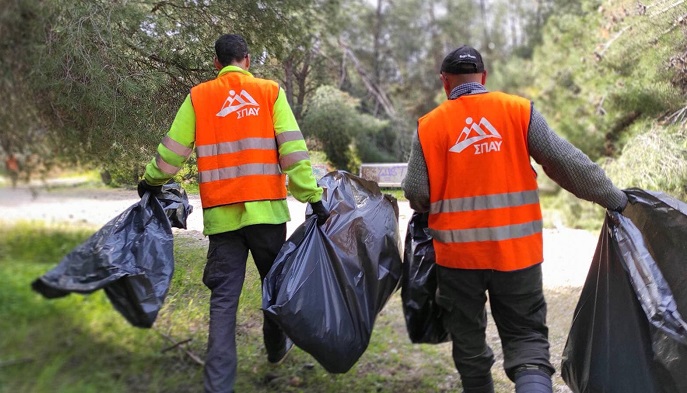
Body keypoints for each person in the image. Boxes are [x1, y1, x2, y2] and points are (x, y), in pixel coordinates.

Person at [402, 45, 628, 393]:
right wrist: (615, 199)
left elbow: (417, 192)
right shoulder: (518, 111)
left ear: (445, 83)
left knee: (469, 343)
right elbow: (566, 163)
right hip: (517, 255)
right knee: (526, 340)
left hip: (458, 261)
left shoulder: (430, 126)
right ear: (484, 78)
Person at [137, 34, 329, 393]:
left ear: (216, 63)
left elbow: (172, 151)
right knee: (274, 287)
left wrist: (150, 181)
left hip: (223, 218)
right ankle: (275, 348)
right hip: (267, 215)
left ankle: (218, 384)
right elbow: (293, 150)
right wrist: (312, 197)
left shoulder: (200, 97)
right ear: (247, 59)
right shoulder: (270, 92)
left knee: (223, 300)